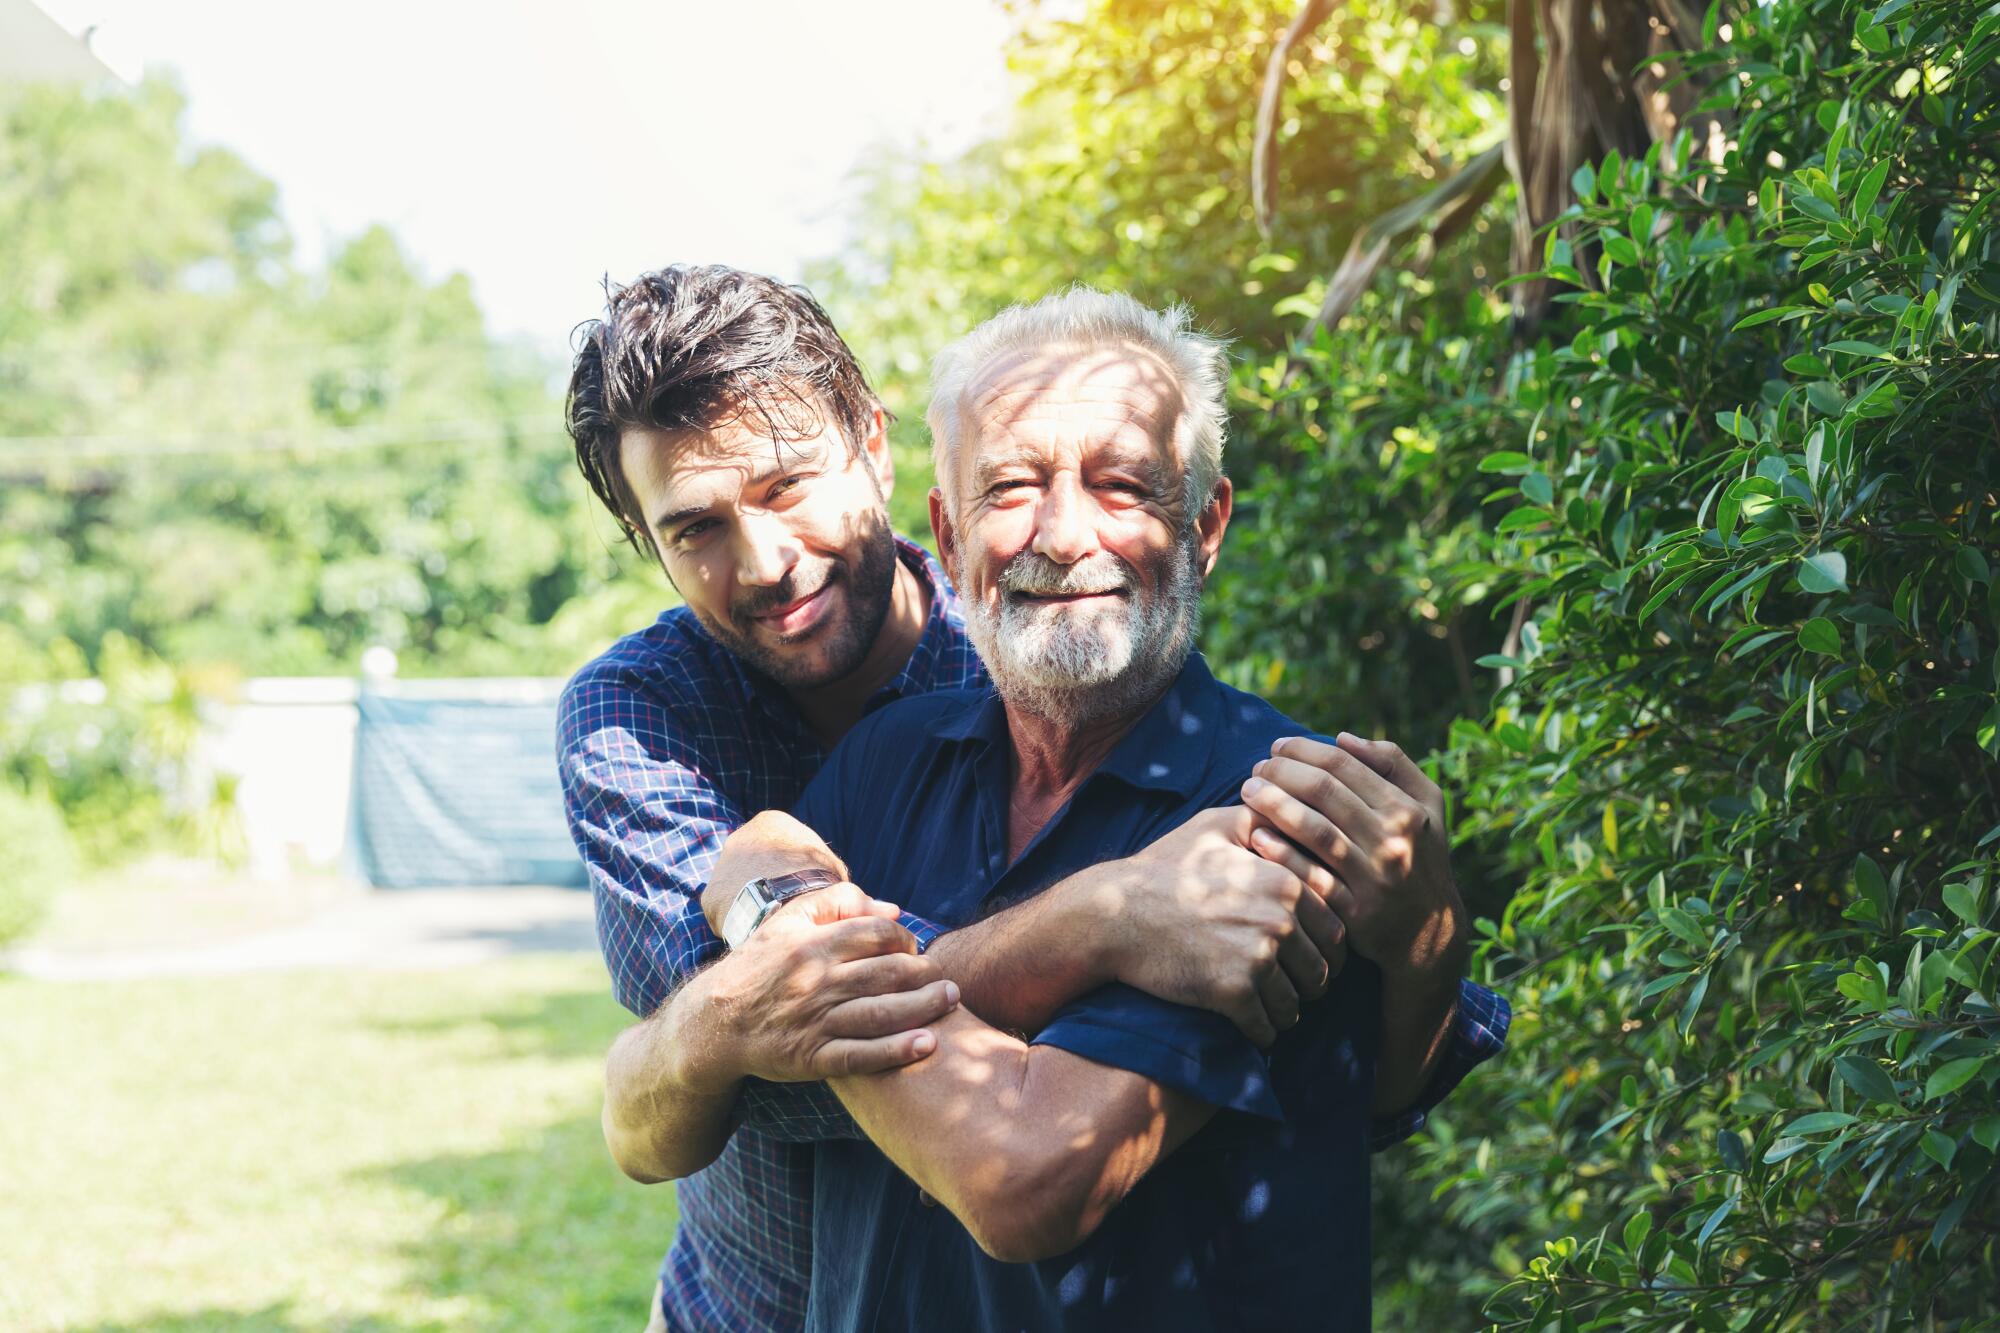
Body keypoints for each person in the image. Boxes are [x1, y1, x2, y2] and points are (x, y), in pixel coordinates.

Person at [557, 268, 1507, 1331]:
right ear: (954, 531)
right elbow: (679, 1080)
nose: (1062, 537)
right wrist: (1105, 919)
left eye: (1122, 484)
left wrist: (1422, 947)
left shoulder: (1238, 795)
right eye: (1008, 487)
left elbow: (1019, 1166)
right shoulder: (691, 727)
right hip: (737, 1300)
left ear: (1202, 526)